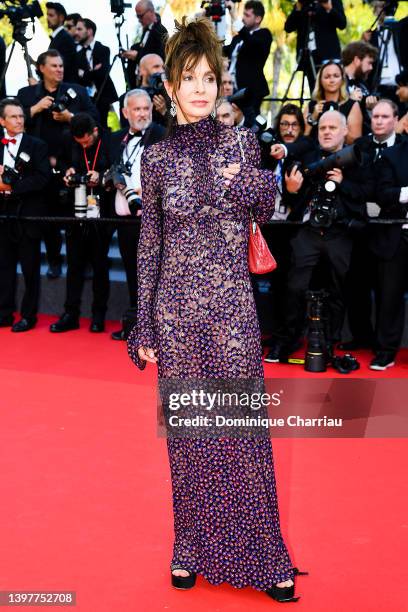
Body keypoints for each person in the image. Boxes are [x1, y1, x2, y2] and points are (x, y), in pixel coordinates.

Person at [127, 17, 301, 603]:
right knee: (190, 439)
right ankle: (190, 546)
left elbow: (267, 201)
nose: (200, 89)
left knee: (241, 435)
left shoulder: (239, 142)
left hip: (231, 313)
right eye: (188, 78)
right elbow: (150, 243)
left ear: (220, 84)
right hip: (176, 315)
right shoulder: (154, 160)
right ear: (170, 86)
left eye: (209, 78)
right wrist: (143, 320)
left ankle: (266, 553)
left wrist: (239, 174)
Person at [276, 110, 372, 359]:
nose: (327, 132)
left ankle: (330, 342)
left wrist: (343, 183)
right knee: (295, 288)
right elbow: (290, 200)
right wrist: (292, 190)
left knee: (338, 290)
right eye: (322, 128)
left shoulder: (359, 160)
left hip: (340, 234)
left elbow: (366, 193)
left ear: (344, 131)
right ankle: (289, 340)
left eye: (332, 128)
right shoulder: (307, 159)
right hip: (308, 232)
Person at [17, 49, 99, 280]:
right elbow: (13, 119)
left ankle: (86, 263)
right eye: (54, 66)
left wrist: (70, 117)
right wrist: (36, 108)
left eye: (61, 65)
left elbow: (96, 120)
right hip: (39, 169)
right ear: (41, 68)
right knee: (47, 220)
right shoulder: (27, 94)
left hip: (72, 165)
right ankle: (53, 261)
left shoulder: (78, 92)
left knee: (80, 218)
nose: (59, 69)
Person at [340, 99, 404, 352]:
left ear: (396, 120)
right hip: (361, 228)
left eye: (385, 117)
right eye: (375, 117)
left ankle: (385, 346)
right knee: (357, 286)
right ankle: (361, 337)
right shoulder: (359, 147)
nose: (379, 121)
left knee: (389, 291)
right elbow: (352, 186)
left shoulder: (404, 149)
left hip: (393, 228)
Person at [109, 89, 165, 341]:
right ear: (125, 112)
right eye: (137, 109)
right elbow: (110, 172)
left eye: (146, 109)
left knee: (156, 275)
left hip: (154, 221)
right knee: (132, 273)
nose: (142, 113)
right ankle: (136, 326)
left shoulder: (163, 135)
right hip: (124, 220)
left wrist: (149, 189)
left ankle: (158, 330)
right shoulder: (115, 139)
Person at [50, 113, 112, 333]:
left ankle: (98, 315)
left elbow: (119, 169)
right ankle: (71, 314)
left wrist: (102, 176)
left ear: (94, 131)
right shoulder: (68, 139)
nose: (84, 145)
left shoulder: (109, 140)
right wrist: (67, 173)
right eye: (80, 143)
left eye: (87, 142)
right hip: (75, 212)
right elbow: (59, 163)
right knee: (74, 265)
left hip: (101, 214)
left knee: (99, 265)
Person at [0, 98, 51, 332]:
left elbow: (43, 178)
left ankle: (28, 316)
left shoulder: (37, 145)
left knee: (30, 268)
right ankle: (4, 312)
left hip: (28, 214)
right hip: (3, 214)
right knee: (4, 267)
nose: (19, 120)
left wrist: (11, 187)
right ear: (2, 121)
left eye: (21, 116)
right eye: (13, 116)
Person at [370, 137, 408, 369]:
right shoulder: (391, 155)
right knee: (389, 297)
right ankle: (386, 351)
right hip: (398, 235)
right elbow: (381, 194)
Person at [223, 1, 272, 124]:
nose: (243, 18)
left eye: (247, 15)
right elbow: (224, 51)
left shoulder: (264, 35)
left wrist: (234, 15)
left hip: (250, 91)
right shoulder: (238, 38)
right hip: (230, 88)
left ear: (258, 18)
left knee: (249, 124)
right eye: (243, 14)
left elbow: (252, 43)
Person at [284, 0, 346, 91]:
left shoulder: (332, 1)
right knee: (314, 91)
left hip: (328, 55)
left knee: (331, 89)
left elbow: (342, 24)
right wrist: (298, 8)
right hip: (308, 56)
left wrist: (329, 8)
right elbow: (288, 27)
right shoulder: (304, 3)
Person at [304, 60, 363, 143]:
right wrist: (313, 117)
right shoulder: (312, 105)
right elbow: (303, 138)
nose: (332, 80)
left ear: (342, 79)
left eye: (336, 76)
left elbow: (355, 140)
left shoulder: (351, 105)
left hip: (342, 154)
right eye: (327, 77)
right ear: (320, 80)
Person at [75, 18, 118, 127]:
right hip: (87, 98)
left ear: (89, 31)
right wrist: (93, 71)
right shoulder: (77, 54)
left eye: (80, 29)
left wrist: (84, 73)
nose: (76, 33)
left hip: (103, 95)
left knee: (103, 125)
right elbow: (80, 77)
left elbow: (102, 73)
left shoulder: (103, 49)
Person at [122, 1, 168, 90]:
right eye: (137, 16)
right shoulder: (147, 29)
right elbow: (146, 49)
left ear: (151, 12)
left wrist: (137, 56)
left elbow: (159, 58)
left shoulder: (160, 30)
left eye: (140, 16)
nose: (139, 20)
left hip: (153, 84)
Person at [46, 2, 79, 84]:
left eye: (51, 15)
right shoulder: (59, 37)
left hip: (65, 89)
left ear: (61, 18)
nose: (47, 18)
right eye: (47, 15)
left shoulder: (65, 38)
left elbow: (61, 67)